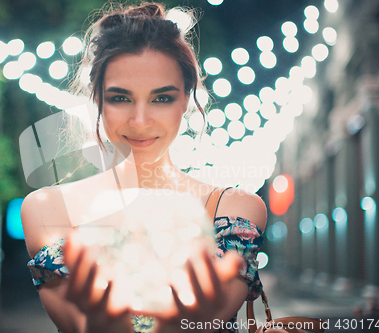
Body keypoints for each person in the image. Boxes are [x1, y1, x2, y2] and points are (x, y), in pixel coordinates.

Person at [21, 2, 267, 333]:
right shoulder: (49, 210)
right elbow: (76, 322)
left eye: (161, 98)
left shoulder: (235, 210)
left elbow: (211, 318)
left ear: (186, 100)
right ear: (97, 100)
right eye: (120, 98)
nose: (139, 121)